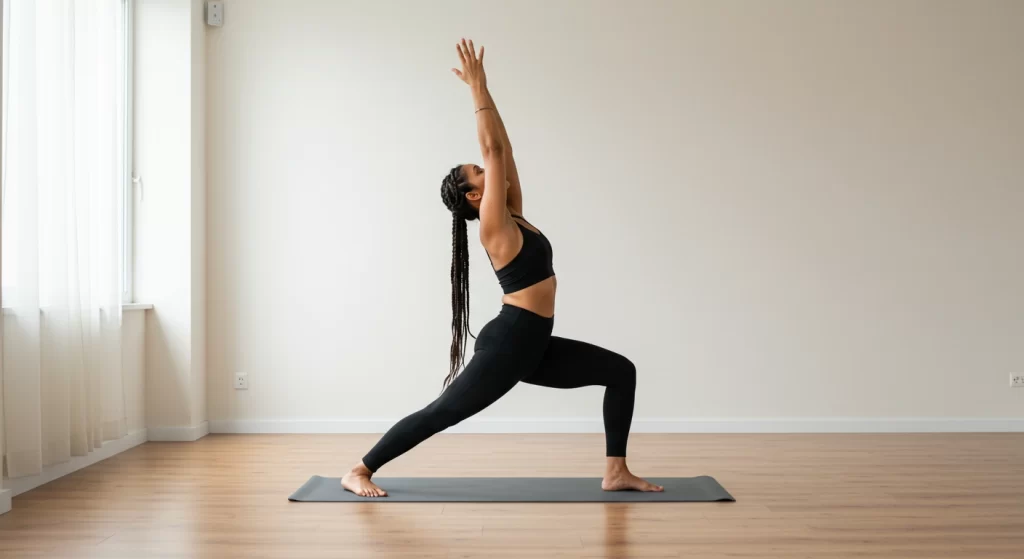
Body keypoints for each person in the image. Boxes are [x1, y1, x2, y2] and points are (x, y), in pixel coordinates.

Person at [341, 39, 663, 497]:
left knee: (621, 371)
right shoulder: (493, 225)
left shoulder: (513, 213)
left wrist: (488, 94)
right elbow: (492, 148)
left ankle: (616, 471)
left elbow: (502, 149)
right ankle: (358, 469)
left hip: (532, 341)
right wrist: (477, 87)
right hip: (512, 341)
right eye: (479, 172)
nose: (491, 170)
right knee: (443, 413)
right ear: (474, 196)